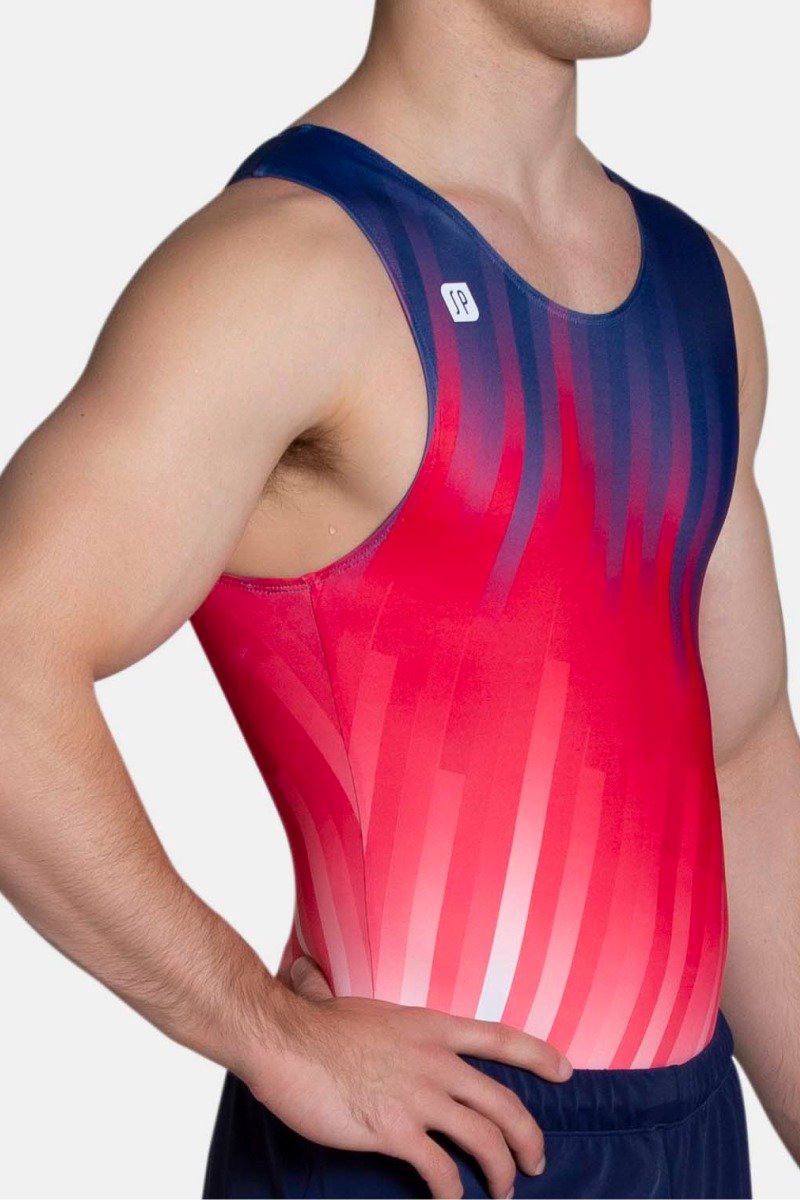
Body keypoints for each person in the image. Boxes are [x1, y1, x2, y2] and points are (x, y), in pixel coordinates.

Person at [1, 0, 798, 1196]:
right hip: (416, 1150)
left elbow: (735, 755)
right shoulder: (285, 269)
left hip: (687, 1136)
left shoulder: (700, 292)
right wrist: (261, 1028)